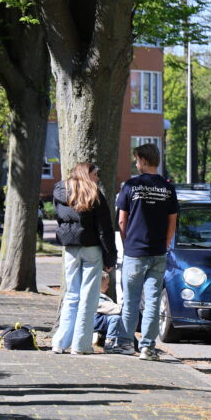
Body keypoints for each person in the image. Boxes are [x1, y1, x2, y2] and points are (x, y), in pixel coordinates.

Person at [109, 143, 177, 360]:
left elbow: (122, 220)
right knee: (153, 301)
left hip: (134, 252)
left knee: (130, 300)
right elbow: (172, 221)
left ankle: (126, 344)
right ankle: (148, 347)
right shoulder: (168, 188)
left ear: (144, 160)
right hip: (158, 252)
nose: (135, 163)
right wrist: (165, 243)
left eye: (137, 159)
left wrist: (127, 243)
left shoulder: (131, 185)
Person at [51, 162, 117, 355]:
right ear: (88, 174)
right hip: (91, 247)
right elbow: (105, 229)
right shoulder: (94, 193)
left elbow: (60, 217)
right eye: (96, 174)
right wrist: (110, 257)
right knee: (88, 297)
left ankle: (60, 342)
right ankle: (80, 345)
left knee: (71, 294)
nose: (97, 178)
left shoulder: (60, 191)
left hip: (71, 247)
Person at [94, 271, 119, 348]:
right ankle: (110, 342)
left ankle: (103, 339)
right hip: (96, 321)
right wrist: (125, 309)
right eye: (106, 284)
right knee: (115, 318)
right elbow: (111, 308)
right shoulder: (98, 298)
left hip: (98, 321)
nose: (108, 287)